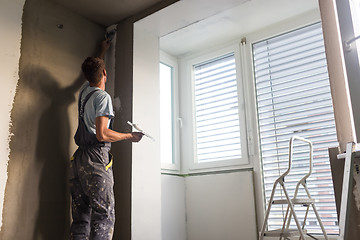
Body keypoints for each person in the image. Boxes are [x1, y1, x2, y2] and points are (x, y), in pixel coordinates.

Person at [69, 40, 143, 240]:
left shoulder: (85, 91)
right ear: (104, 74)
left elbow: (95, 70)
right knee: (104, 216)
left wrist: (102, 50)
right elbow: (102, 134)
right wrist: (130, 136)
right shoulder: (103, 97)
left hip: (78, 161)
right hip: (95, 160)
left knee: (80, 219)